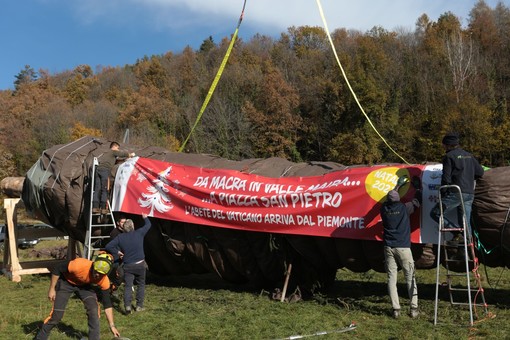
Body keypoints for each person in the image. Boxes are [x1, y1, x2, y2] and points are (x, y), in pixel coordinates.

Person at [35, 253, 121, 340]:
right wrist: (52, 289)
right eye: (96, 271)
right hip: (66, 282)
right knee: (57, 315)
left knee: (94, 310)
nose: (97, 275)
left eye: (101, 274)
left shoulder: (104, 280)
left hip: (84, 286)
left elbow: (107, 304)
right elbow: (57, 268)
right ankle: (40, 338)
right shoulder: (78, 265)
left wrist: (112, 326)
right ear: (93, 266)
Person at [430, 132, 484, 244]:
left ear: (448, 145)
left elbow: (446, 178)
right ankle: (468, 243)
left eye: (444, 145)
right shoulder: (469, 155)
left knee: (435, 213)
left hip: (456, 193)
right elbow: (480, 172)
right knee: (465, 220)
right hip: (469, 193)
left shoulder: (449, 157)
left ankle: (456, 233)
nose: (443, 147)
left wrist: (443, 194)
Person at [381, 177, 420, 319]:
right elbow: (417, 202)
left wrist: (397, 187)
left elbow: (390, 199)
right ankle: (414, 308)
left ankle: (396, 309)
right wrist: (418, 188)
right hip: (403, 247)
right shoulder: (404, 208)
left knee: (392, 278)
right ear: (398, 199)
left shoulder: (384, 208)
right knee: (410, 277)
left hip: (388, 247)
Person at [106, 213, 152, 314]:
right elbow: (148, 225)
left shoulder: (120, 238)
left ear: (124, 228)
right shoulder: (139, 233)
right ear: (133, 226)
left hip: (128, 266)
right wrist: (145, 217)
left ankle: (127, 306)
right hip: (140, 265)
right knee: (141, 285)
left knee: (128, 286)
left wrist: (117, 252)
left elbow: (108, 246)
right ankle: (139, 306)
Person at [93, 142, 135, 214]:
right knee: (105, 188)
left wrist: (123, 160)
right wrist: (130, 155)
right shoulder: (113, 152)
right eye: (118, 148)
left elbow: (115, 160)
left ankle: (95, 207)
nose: (118, 150)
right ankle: (103, 208)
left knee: (97, 189)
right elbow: (122, 154)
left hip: (98, 170)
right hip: (105, 171)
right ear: (114, 147)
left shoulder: (106, 153)